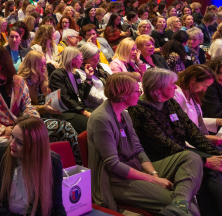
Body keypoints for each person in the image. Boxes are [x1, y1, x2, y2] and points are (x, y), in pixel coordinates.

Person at [88, 72, 203, 215]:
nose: (140, 93)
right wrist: (154, 180)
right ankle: (182, 204)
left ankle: (181, 202)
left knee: (191, 157)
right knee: (191, 210)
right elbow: (113, 165)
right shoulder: (101, 119)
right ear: (124, 94)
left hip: (135, 167)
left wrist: (154, 174)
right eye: (137, 91)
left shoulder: (124, 114)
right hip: (116, 180)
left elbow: (138, 149)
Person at [129, 68, 222, 216]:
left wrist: (215, 153)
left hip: (180, 151)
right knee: (210, 170)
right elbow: (163, 145)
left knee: (217, 160)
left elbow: (192, 131)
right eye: (172, 84)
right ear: (158, 88)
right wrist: (206, 160)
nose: (175, 87)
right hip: (159, 158)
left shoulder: (169, 102)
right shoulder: (139, 109)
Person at [0, 115, 66, 216]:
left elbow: (56, 206)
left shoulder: (53, 162)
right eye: (12, 136)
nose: (12, 144)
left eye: (19, 142)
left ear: (35, 147)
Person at [48, 46, 95, 133]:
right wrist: (83, 112)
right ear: (72, 59)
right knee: (93, 125)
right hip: (66, 112)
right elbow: (64, 99)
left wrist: (89, 77)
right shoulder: (57, 75)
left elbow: (82, 95)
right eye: (81, 58)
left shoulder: (75, 74)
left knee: (104, 118)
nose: (82, 61)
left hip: (78, 109)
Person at [173, 65, 222, 139]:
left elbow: (194, 121)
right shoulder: (176, 95)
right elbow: (178, 127)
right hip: (188, 142)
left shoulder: (191, 93)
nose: (205, 89)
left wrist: (217, 122)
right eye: (204, 85)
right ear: (193, 80)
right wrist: (206, 138)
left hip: (198, 138)